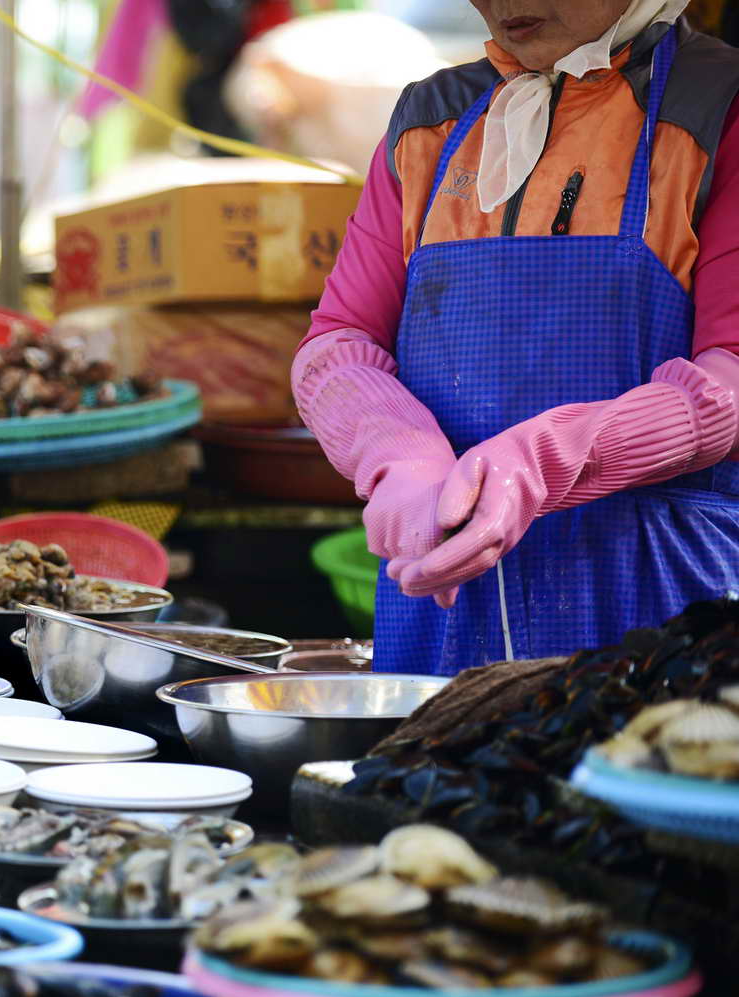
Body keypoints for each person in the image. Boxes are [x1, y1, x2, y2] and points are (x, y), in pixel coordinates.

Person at [294, 0, 739, 675]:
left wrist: (548, 458)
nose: (506, 3)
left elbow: (731, 371)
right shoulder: (429, 120)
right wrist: (396, 451)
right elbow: (336, 342)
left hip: (659, 603)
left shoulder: (717, 107)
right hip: (447, 604)